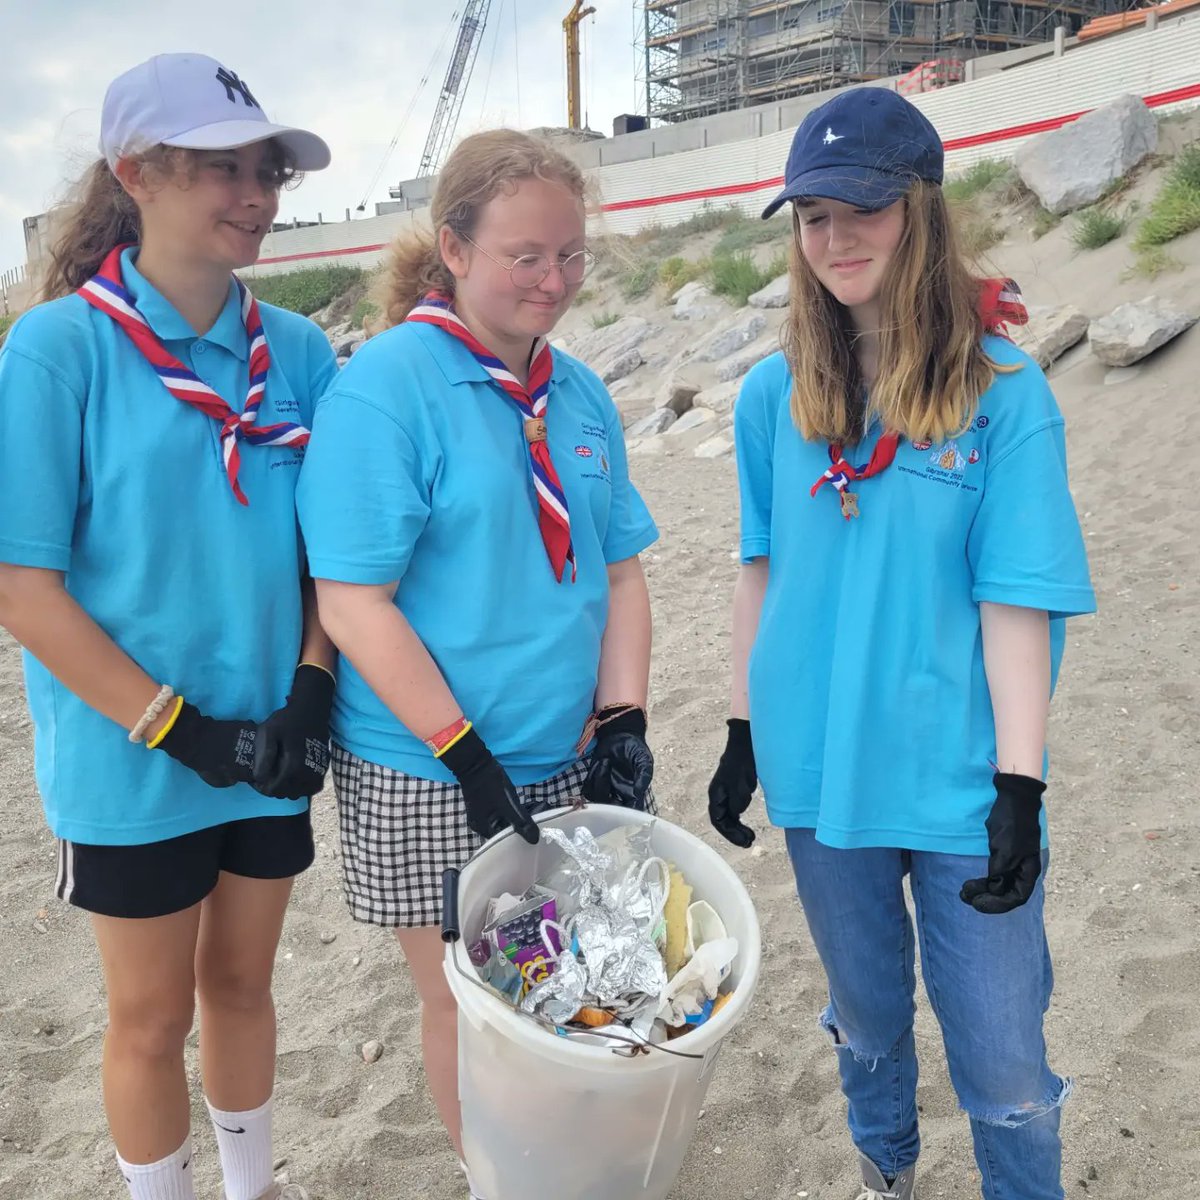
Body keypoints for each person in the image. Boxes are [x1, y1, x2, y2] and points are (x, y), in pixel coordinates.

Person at [707, 89, 1096, 1200]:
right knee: (869, 1017)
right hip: (819, 773)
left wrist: (1019, 784)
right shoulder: (772, 394)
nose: (835, 239)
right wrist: (743, 727)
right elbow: (760, 570)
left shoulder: (1005, 395)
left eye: (861, 210)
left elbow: (1015, 599)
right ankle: (887, 1170)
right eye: (813, 215)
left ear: (921, 211)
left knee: (1006, 1057)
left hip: (962, 782)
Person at [295, 129, 659, 1196]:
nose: (555, 281)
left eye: (573, 256)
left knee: (561, 983)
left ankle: (558, 1165)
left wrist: (626, 716)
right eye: (525, 257)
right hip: (426, 767)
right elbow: (353, 603)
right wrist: (465, 754)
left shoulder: (579, 395)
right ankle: (497, 1177)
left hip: (564, 753)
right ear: (453, 249)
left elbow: (622, 574)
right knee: (472, 1002)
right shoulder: (388, 391)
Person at [0, 53, 338, 1200]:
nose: (256, 194)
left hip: (272, 743)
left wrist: (312, 685)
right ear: (133, 173)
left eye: (266, 171)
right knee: (147, 1018)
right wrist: (177, 728)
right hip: (132, 755)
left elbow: (327, 562)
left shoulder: (298, 353)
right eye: (221, 170)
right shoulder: (56, 350)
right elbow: (23, 588)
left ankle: (250, 1189)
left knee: (243, 986)